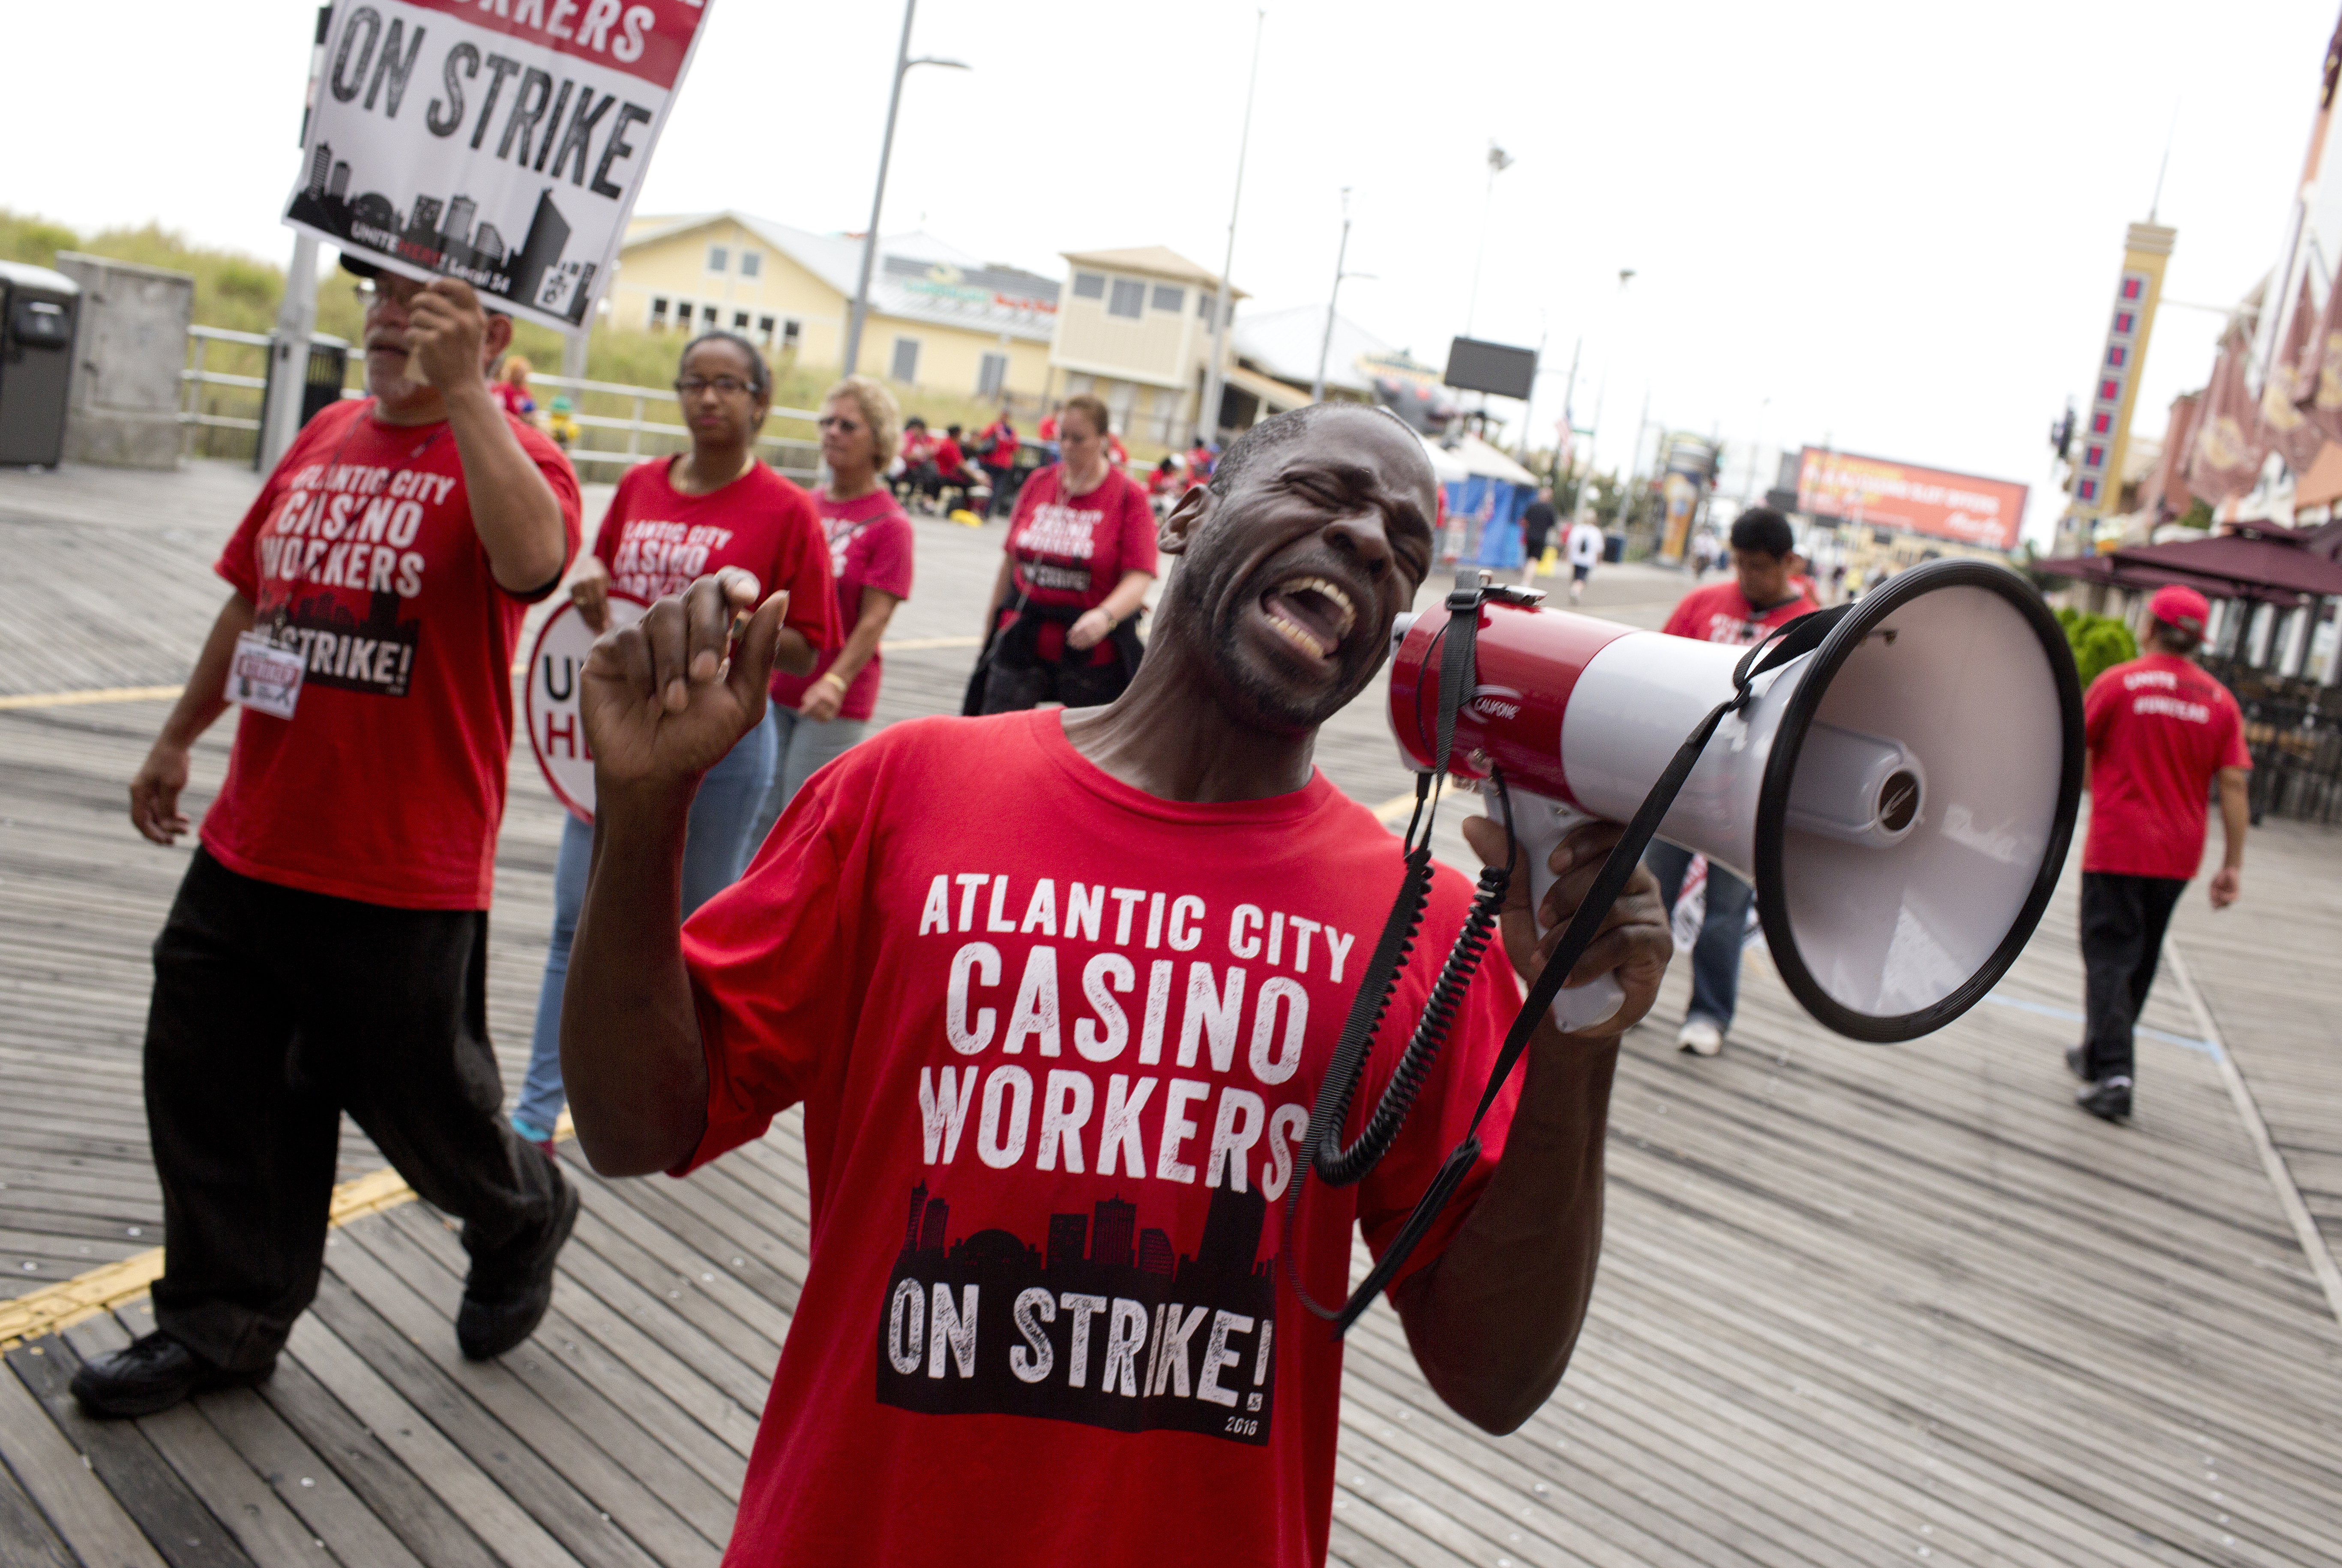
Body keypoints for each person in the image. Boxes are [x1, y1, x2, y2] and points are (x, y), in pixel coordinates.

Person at [560, 400, 1674, 1565]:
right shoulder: (907, 789)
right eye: (1323, 493)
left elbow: (1495, 1378)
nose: (1364, 542)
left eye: (1403, 547)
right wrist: (645, 819)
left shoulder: (1427, 926)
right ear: (1192, 508)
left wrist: (1576, 1041)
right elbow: (638, 1126)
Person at [72, 268, 583, 1419]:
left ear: (490, 333)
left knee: (423, 1102)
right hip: (252, 842)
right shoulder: (324, 433)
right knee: (212, 1084)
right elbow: (252, 600)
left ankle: (519, 1208)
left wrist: (472, 401)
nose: (390, 316)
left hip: (399, 864)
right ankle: (222, 1323)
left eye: (427, 302)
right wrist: (175, 737)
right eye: (380, 297)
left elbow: (533, 561)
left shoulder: (513, 456)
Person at [510, 331, 839, 1155]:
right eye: (696, 381)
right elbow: (609, 586)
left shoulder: (787, 510)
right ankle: (538, 1108)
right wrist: (590, 582)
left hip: (722, 755)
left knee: (689, 928)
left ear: (761, 403)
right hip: (618, 740)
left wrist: (738, 630)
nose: (710, 398)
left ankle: (666, 1098)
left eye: (730, 384)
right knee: (571, 919)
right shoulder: (637, 485)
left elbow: (810, 643)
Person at [2068, 585, 2249, 1121]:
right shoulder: (2220, 701)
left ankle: (2117, 1076)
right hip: (2178, 852)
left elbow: (2078, 749)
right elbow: (2235, 785)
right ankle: (2098, 1054)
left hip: (2119, 844)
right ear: (2198, 642)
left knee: (2107, 956)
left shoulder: (2118, 683)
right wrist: (2233, 864)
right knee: (2138, 960)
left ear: (2148, 628)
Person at [1645, 506, 1818, 1056]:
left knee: (1727, 910)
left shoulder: (1814, 626)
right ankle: (1629, 995)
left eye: (1761, 567)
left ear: (1790, 562)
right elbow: (1655, 668)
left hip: (1746, 796)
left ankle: (1708, 1015)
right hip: (1681, 777)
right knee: (1648, 894)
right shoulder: (1702, 605)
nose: (1748, 577)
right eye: (1740, 564)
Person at [753, 374, 916, 839]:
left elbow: (875, 619)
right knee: (757, 813)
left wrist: (835, 680)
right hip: (777, 683)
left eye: (848, 425)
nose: (833, 433)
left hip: (833, 694)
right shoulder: (805, 505)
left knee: (800, 820)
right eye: (828, 422)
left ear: (878, 440)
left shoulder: (890, 524)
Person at [971, 392, 1156, 712]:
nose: (1068, 447)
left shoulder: (1128, 496)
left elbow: (1139, 575)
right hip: (1026, 634)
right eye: (1063, 437)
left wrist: (1105, 616)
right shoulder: (1039, 482)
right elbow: (1010, 560)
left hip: (1091, 644)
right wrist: (991, 625)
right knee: (995, 735)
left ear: (1103, 440)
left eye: (1079, 439)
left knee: (1089, 748)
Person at [978, 409, 1019, 518]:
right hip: (1003, 463)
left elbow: (983, 436)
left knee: (987, 487)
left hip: (991, 462)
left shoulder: (995, 427)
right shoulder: (1011, 432)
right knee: (995, 488)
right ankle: (986, 512)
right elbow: (1015, 447)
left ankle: (983, 510)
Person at [1518, 486, 1557, 587]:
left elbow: (1524, 521)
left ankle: (1525, 577)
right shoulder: (1550, 509)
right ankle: (1527, 581)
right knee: (1533, 560)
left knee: (1528, 559)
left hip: (1529, 536)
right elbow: (1552, 525)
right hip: (1541, 538)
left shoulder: (1532, 506)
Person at [1564, 512, 1606, 606]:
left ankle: (1575, 590)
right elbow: (1599, 549)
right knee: (1582, 579)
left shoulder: (1577, 529)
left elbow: (1570, 544)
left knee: (1576, 577)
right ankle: (1575, 591)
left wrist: (1566, 555)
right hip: (1588, 560)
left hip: (1575, 558)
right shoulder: (1596, 532)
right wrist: (1599, 561)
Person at [492, 354, 536, 420]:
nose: (520, 376)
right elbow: (511, 410)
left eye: (522, 373)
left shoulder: (523, 389)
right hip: (508, 419)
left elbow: (531, 405)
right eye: (518, 372)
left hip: (520, 418)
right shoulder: (506, 388)